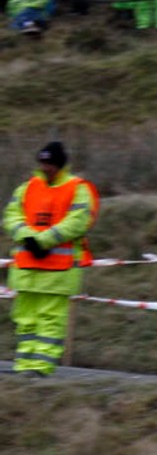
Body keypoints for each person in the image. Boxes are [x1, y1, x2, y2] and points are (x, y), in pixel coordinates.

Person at [5, 142, 98, 377]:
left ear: (60, 164)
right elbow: (11, 216)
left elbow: (78, 221)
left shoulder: (78, 188)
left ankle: (41, 368)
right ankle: (24, 366)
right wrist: (28, 238)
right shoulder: (27, 188)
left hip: (58, 270)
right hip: (27, 267)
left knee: (50, 321)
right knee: (25, 320)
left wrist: (42, 241)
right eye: (43, 162)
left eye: (50, 163)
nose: (45, 167)